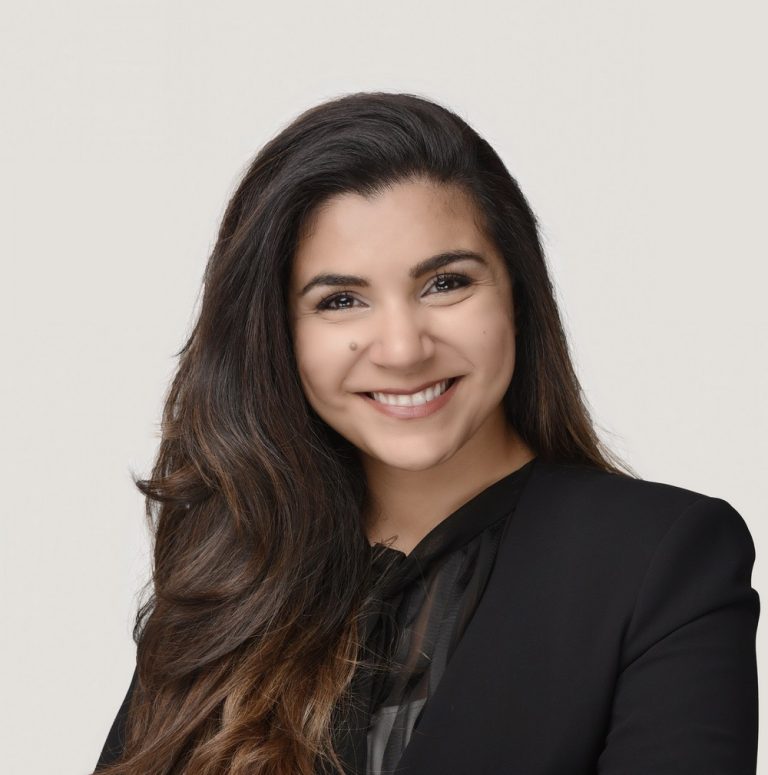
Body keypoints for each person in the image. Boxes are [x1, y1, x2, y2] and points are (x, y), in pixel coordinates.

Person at [93, 92, 759, 775]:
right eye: (341, 300)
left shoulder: (660, 559)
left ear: (517, 293)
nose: (403, 348)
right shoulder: (235, 569)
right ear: (277, 336)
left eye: (445, 283)